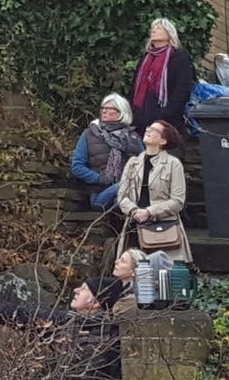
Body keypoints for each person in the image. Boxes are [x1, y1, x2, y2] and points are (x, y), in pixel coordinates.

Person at [115, 120, 192, 267]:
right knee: (133, 273)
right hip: (135, 226)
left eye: (154, 130)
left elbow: (177, 201)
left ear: (163, 140)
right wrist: (134, 210)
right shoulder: (132, 163)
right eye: (148, 127)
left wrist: (149, 212)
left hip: (164, 228)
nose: (148, 131)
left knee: (164, 274)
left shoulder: (173, 164)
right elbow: (122, 196)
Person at [69, 95, 141, 211]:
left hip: (129, 193)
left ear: (121, 112)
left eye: (109, 108)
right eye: (103, 108)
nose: (104, 111)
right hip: (100, 194)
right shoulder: (89, 134)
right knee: (124, 185)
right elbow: (77, 167)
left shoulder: (133, 138)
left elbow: (143, 166)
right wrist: (100, 178)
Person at [130, 18, 197, 140]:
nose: (153, 30)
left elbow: (182, 88)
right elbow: (135, 86)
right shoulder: (145, 58)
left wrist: (167, 113)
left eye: (159, 28)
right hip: (142, 118)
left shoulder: (178, 57)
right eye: (153, 28)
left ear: (169, 34)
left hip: (167, 120)